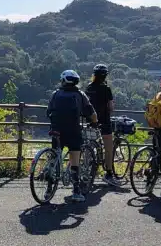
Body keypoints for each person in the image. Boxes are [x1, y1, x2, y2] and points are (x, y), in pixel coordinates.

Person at [46, 70, 99, 203]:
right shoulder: (80, 95)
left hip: (56, 130)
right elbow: (92, 113)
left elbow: (48, 112)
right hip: (73, 131)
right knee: (75, 159)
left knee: (55, 156)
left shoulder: (55, 94)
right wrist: (94, 122)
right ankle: (76, 191)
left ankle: (48, 190)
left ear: (63, 81)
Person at [84, 63, 116, 185]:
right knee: (109, 148)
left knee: (89, 145)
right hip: (104, 122)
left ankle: (86, 169)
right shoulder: (106, 89)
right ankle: (108, 173)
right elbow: (111, 107)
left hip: (91, 121)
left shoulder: (89, 87)